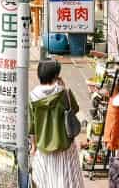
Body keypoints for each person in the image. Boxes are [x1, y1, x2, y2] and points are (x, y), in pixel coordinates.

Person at [30, 58, 87, 188]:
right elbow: (75, 109)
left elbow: (31, 126)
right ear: (55, 75)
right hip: (65, 148)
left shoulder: (32, 97)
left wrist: (33, 145)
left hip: (44, 149)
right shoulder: (65, 93)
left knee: (44, 182)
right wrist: (63, 87)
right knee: (67, 181)